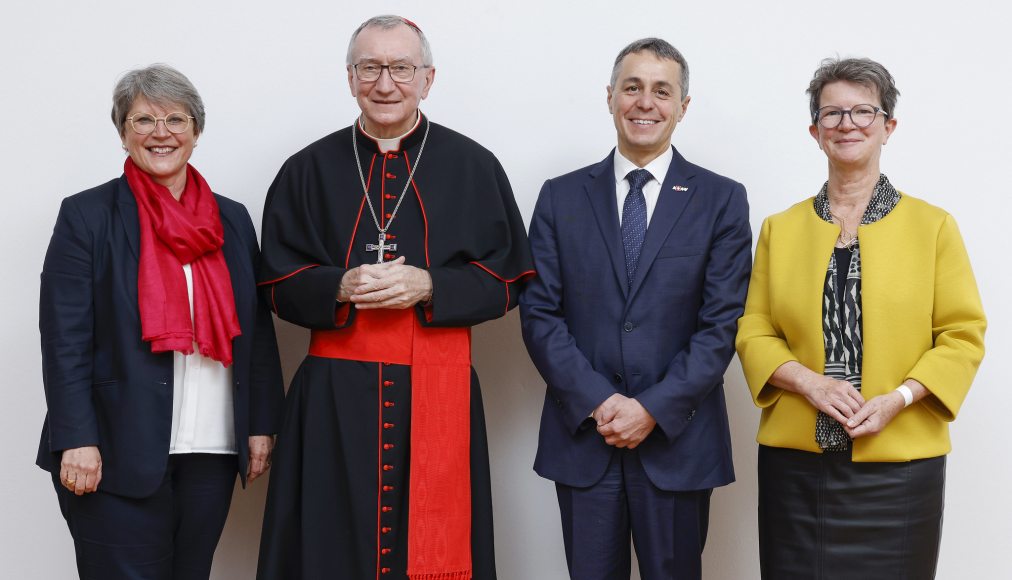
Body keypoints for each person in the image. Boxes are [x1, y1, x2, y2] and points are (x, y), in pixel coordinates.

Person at [255, 15, 533, 580]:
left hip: (436, 387)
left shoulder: (473, 166)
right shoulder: (307, 169)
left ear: (427, 78)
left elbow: (510, 278)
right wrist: (338, 284)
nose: (385, 84)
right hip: (333, 401)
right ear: (350, 76)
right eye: (370, 68)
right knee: (329, 548)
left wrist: (431, 285)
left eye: (401, 68)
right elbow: (274, 282)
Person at [735, 57, 986, 579]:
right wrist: (808, 383)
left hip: (900, 471)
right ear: (815, 132)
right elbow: (754, 330)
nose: (847, 124)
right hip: (796, 468)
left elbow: (962, 337)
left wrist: (900, 398)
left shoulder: (934, 226)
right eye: (832, 114)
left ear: (888, 127)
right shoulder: (779, 229)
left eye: (863, 112)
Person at [37, 64, 285, 580]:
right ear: (123, 132)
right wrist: (76, 438)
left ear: (196, 130)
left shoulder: (232, 218)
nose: (160, 133)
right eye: (143, 120)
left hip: (211, 446)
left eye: (175, 119)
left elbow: (256, 331)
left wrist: (260, 424)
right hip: (112, 448)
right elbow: (65, 340)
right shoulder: (88, 215)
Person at [520, 38, 752, 579]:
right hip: (585, 439)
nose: (645, 102)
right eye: (632, 87)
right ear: (610, 97)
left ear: (682, 107)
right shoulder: (559, 196)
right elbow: (540, 316)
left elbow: (721, 325)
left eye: (661, 91)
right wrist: (601, 402)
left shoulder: (721, 199)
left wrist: (650, 408)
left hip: (678, 440)